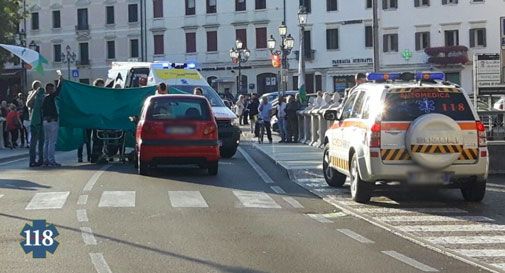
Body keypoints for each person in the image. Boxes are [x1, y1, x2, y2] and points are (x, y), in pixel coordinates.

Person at [41, 80, 62, 167]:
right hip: (52, 121)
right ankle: (51, 160)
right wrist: (60, 81)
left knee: (46, 141)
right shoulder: (51, 97)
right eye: (52, 89)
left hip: (45, 121)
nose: (53, 90)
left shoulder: (44, 98)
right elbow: (58, 91)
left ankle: (45, 160)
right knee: (52, 142)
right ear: (50, 89)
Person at [26, 81, 45, 167]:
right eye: (38, 87)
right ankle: (32, 160)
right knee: (33, 143)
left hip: (41, 121)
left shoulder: (41, 96)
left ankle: (41, 159)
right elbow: (28, 104)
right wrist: (35, 93)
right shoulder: (31, 95)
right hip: (34, 122)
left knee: (41, 142)